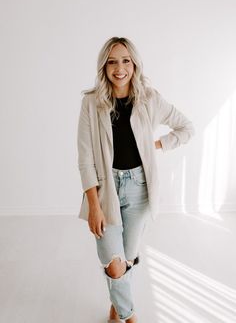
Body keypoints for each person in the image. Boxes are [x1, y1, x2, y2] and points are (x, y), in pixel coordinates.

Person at [77, 37, 195, 322]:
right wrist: (93, 205)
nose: (120, 68)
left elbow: (186, 128)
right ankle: (130, 316)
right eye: (112, 61)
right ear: (104, 66)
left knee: (128, 259)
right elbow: (85, 158)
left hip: (139, 189)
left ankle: (117, 306)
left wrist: (156, 146)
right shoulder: (91, 103)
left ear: (134, 64)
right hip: (106, 191)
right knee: (114, 264)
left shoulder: (149, 99)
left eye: (126, 61)